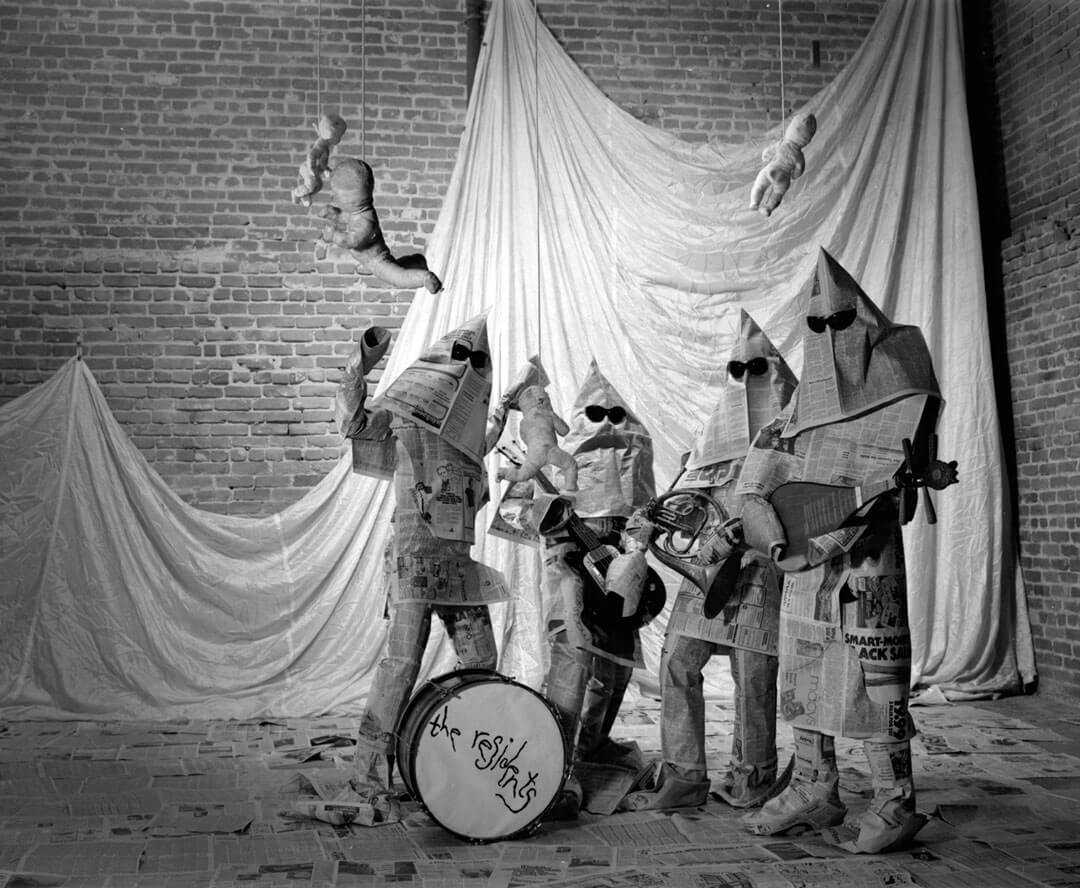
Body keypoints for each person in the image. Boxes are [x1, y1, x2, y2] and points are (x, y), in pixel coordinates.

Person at [736, 247, 945, 854]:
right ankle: (812, 785)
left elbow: (903, 499)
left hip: (868, 566)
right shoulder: (798, 408)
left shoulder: (903, 393)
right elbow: (756, 482)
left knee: (878, 680)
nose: (829, 333)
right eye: (817, 323)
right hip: (802, 571)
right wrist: (777, 538)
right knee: (803, 672)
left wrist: (845, 522)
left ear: (866, 322)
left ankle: (894, 798)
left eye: (841, 320)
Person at [336, 313, 521, 820]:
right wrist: (359, 367)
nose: (468, 368)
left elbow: (481, 460)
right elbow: (353, 425)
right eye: (460, 357)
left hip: (457, 565)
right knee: (401, 663)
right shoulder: (403, 415)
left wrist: (509, 407)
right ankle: (367, 776)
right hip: (414, 559)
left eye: (477, 361)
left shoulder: (469, 432)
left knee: (481, 661)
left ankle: (451, 753)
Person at [620, 310, 796, 811]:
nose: (745, 381)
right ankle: (684, 775)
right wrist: (651, 521)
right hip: (703, 572)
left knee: (753, 678)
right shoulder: (709, 440)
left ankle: (753, 776)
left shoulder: (795, 444)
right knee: (677, 662)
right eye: (736, 370)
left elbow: (801, 514)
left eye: (757, 369)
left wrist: (744, 533)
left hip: (761, 574)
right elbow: (684, 501)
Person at [514, 359, 661, 819]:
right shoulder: (557, 454)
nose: (607, 426)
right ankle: (556, 763)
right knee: (572, 665)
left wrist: (638, 544)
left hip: (619, 577)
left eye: (615, 416)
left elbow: (644, 515)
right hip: (570, 572)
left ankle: (591, 745)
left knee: (616, 668)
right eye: (595, 415)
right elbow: (522, 515)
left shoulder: (637, 452)